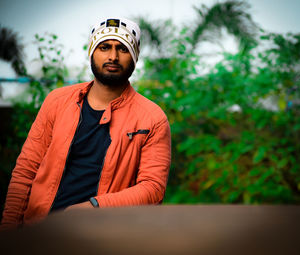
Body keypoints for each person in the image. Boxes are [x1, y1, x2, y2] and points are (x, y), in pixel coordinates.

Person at [1, 17, 171, 229]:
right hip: (40, 230)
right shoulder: (57, 101)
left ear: (134, 57)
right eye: (104, 47)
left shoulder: (152, 118)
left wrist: (95, 207)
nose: (113, 56)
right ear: (92, 51)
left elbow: (153, 189)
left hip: (100, 236)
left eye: (123, 49)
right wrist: (8, 228)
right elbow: (26, 170)